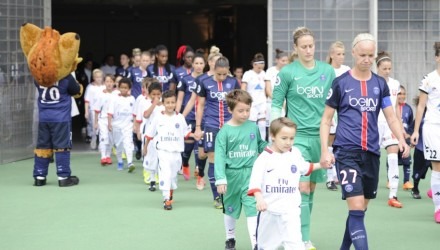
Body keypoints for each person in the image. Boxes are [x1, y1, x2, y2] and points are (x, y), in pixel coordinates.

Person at [320, 33, 410, 250]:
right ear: (353, 53)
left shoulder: (380, 84)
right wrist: (325, 150)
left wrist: (402, 139)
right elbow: (326, 120)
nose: (367, 59)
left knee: (359, 210)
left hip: (371, 153)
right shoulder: (340, 83)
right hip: (346, 152)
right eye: (362, 55)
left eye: (371, 55)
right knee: (357, 206)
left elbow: (391, 117)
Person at [270, 26, 335, 250]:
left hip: (320, 138)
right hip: (295, 139)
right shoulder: (287, 73)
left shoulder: (328, 71)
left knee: (311, 191)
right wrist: (275, 134)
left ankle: (297, 234)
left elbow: (333, 106)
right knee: (302, 189)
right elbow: (276, 104)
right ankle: (301, 238)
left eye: (311, 46)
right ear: (295, 49)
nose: (308, 50)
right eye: (304, 47)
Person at [248, 117, 331, 250]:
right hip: (269, 212)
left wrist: (321, 164)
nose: (288, 142)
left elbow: (305, 167)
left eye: (292, 138)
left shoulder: (295, 153)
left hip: (290, 212)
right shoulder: (264, 158)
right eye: (284, 138)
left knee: (295, 245)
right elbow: (255, 182)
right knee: (265, 247)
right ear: (273, 136)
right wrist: (259, 199)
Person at [215, 89, 267, 250]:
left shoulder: (252, 127)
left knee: (253, 209)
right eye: (241, 111)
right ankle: (230, 238)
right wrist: (221, 178)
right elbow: (220, 157)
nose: (245, 114)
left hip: (251, 175)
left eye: (247, 110)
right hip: (231, 177)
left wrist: (274, 148)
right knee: (230, 209)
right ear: (230, 110)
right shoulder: (224, 132)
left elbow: (261, 145)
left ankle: (256, 244)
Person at [194, 56, 241, 209]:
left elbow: (238, 104)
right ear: (214, 69)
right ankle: (217, 197)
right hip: (211, 125)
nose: (221, 77)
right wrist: (198, 127)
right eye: (219, 74)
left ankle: (231, 192)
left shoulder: (233, 82)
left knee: (230, 159)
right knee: (212, 158)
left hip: (230, 126)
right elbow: (200, 105)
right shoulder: (204, 82)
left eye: (224, 74)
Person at [181, 46, 222, 192]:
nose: (218, 65)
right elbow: (192, 100)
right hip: (202, 120)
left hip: (218, 121)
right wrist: (180, 117)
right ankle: (201, 175)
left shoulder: (225, 79)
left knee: (214, 152)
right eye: (215, 62)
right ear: (209, 63)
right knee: (202, 152)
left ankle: (219, 180)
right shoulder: (202, 79)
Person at [144, 90, 191, 210]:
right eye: (167, 102)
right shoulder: (158, 117)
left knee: (173, 175)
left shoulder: (180, 118)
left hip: (176, 152)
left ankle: (170, 193)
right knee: (165, 174)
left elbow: (186, 133)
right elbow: (149, 134)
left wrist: (195, 135)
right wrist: (145, 148)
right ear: (163, 103)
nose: (170, 105)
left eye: (172, 102)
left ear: (176, 103)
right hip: (163, 151)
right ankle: (166, 199)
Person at [33, 73, 81, 187]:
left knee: (43, 147)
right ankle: (63, 177)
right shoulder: (66, 76)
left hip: (44, 118)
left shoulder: (38, 76)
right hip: (61, 118)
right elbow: (76, 90)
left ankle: (39, 177)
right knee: (62, 147)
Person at [410, 41, 440, 223]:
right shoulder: (429, 79)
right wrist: (415, 131)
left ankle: (436, 189)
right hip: (433, 127)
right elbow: (421, 106)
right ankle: (438, 208)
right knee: (437, 166)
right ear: (437, 57)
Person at [375, 51, 406, 208]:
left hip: (390, 125)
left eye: (389, 68)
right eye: (384, 68)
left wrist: (400, 130)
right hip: (374, 124)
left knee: (393, 158)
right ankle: (368, 188)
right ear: (378, 67)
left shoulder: (395, 84)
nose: (387, 71)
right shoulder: (372, 81)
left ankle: (393, 194)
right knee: (371, 159)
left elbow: (396, 108)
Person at [176, 53, 205, 184]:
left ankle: (200, 174)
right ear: (192, 64)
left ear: (205, 65)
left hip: (203, 118)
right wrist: (177, 115)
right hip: (188, 117)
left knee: (201, 146)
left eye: (201, 63)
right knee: (187, 147)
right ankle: (185, 163)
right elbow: (180, 98)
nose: (199, 66)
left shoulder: (207, 79)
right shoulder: (185, 79)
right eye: (196, 63)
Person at [326, 41, 351, 191]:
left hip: (345, 110)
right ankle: (330, 178)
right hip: (331, 110)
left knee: (341, 143)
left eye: (343, 54)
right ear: (331, 55)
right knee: (330, 142)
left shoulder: (347, 70)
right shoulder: (327, 70)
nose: (341, 57)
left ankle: (339, 174)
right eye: (338, 54)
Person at [108, 77, 136, 172]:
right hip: (116, 125)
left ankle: (130, 162)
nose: (124, 89)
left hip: (128, 125)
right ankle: (120, 161)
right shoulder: (114, 98)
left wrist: (135, 125)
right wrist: (109, 123)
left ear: (129, 89)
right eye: (122, 87)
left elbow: (134, 114)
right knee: (119, 145)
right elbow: (110, 112)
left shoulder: (132, 99)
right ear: (119, 87)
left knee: (128, 143)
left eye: (126, 88)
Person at [140, 82, 164, 191]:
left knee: (161, 157)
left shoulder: (165, 104)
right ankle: (151, 178)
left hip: (162, 135)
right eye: (153, 94)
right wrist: (154, 104)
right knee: (150, 156)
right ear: (149, 94)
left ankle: (161, 177)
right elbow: (145, 115)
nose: (156, 97)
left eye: (158, 94)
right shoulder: (146, 103)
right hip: (150, 134)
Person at [241, 53, 267, 140]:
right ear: (254, 64)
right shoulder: (248, 74)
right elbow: (243, 88)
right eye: (258, 67)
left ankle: (262, 144)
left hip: (262, 102)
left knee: (262, 124)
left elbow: (266, 88)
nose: (260, 69)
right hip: (251, 103)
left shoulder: (264, 73)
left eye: (262, 67)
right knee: (251, 124)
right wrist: (244, 101)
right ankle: (250, 142)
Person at [264, 48, 289, 140]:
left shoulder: (288, 71)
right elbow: (268, 90)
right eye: (283, 61)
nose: (285, 62)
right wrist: (278, 101)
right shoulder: (270, 71)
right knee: (273, 126)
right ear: (277, 60)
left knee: (284, 127)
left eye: (286, 60)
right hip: (273, 103)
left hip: (285, 104)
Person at [410, 96, 432, 199]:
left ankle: (435, 190)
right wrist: (412, 140)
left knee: (437, 171)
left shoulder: (435, 115)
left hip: (434, 148)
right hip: (421, 149)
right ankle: (415, 188)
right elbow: (413, 130)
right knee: (418, 171)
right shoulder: (420, 117)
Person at [94, 74, 117, 165]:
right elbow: (97, 109)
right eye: (107, 81)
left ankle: (108, 156)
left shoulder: (117, 94)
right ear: (104, 83)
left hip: (113, 120)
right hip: (103, 119)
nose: (109, 84)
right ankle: (103, 156)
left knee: (111, 139)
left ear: (114, 83)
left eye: (111, 81)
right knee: (104, 137)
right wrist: (96, 122)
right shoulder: (100, 94)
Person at [396, 85, 414, 190]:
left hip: (405, 139)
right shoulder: (391, 108)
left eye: (403, 94)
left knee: (407, 160)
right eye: (399, 93)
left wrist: (409, 134)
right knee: (392, 159)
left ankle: (406, 181)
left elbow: (411, 124)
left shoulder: (408, 108)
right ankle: (390, 180)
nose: (402, 96)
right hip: (394, 138)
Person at [84, 69, 105, 148]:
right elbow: (87, 100)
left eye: (100, 77)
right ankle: (94, 138)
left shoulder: (104, 86)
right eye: (97, 77)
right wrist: (86, 112)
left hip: (103, 110)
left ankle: (101, 142)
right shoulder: (90, 87)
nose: (99, 79)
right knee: (94, 126)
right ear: (93, 78)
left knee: (102, 127)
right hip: (93, 110)